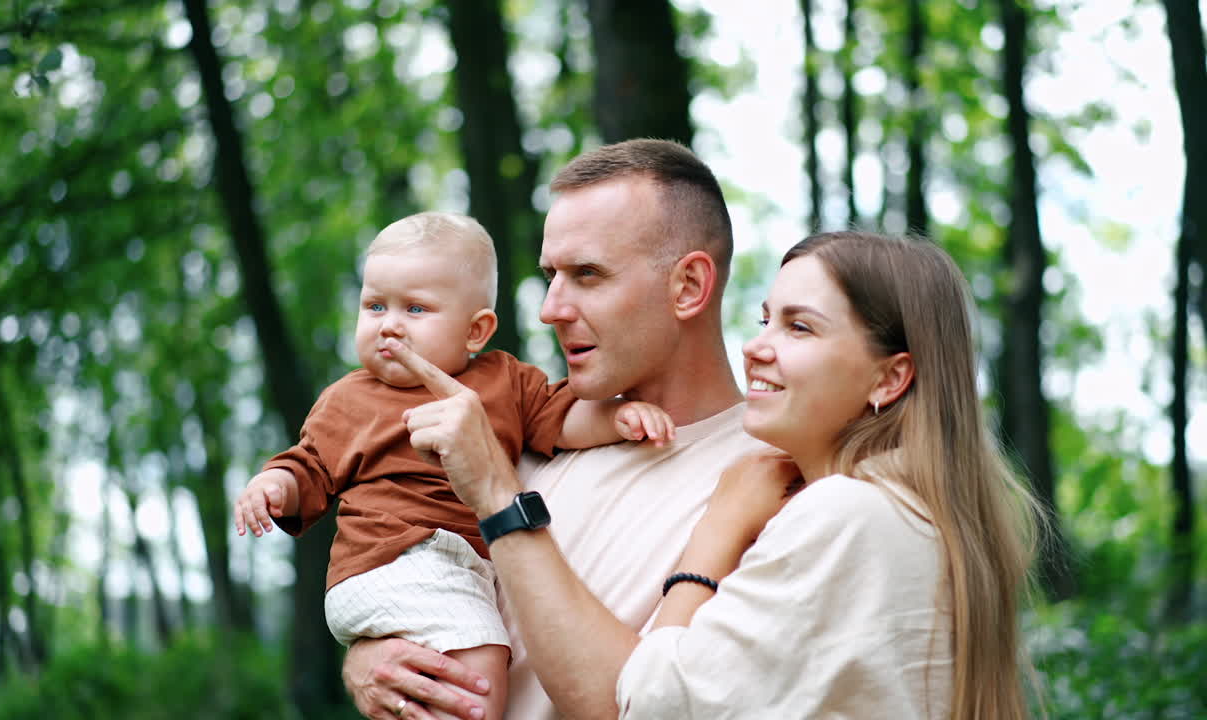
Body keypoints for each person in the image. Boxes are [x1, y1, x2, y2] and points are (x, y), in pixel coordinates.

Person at [387, 230, 1042, 719]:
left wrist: (499, 494)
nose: (757, 346)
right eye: (765, 319)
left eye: (800, 327)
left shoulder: (849, 514)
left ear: (890, 378)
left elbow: (650, 706)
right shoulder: (901, 511)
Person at [342, 140, 770, 720]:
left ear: (689, 286)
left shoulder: (775, 481)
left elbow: (648, 707)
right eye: (551, 275)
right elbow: (420, 591)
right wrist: (370, 656)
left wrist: (499, 496)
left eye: (587, 274)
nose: (550, 309)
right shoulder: (519, 437)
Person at [231, 211, 676, 720]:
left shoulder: (505, 381)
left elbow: (561, 416)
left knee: (439, 685)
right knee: (479, 669)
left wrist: (619, 416)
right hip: (395, 554)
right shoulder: (347, 398)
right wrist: (274, 484)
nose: (388, 324)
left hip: (450, 566)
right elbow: (310, 465)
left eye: (415, 308)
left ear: (476, 330)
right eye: (374, 305)